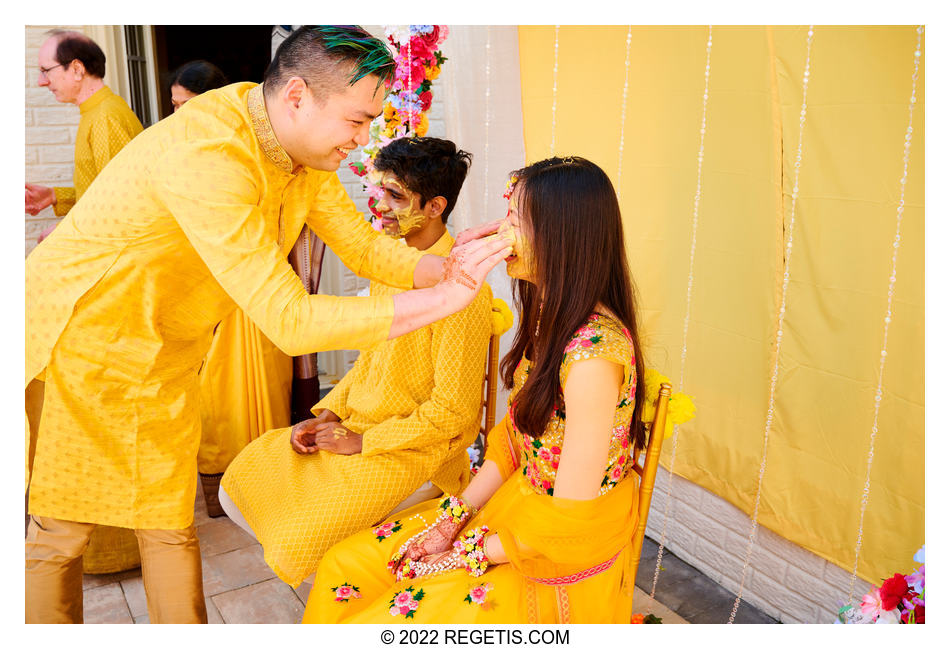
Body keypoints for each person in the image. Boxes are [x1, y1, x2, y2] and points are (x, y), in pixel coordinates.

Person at [25, 25, 511, 624]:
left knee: (167, 519)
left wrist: (447, 268)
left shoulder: (299, 155)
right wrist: (448, 299)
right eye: (356, 122)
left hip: (164, 351)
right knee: (61, 532)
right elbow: (291, 319)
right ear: (299, 96)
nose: (360, 144)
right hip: (86, 340)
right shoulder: (212, 154)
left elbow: (362, 247)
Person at [302, 156, 647, 624]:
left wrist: (462, 555)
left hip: (552, 540)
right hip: (515, 508)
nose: (499, 234)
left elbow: (568, 519)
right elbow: (514, 436)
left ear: (563, 236)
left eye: (514, 220)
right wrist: (454, 515)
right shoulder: (553, 317)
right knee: (344, 565)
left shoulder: (593, 358)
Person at [219, 136, 493, 588]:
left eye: (396, 196)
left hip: (416, 450)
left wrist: (363, 443)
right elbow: (370, 363)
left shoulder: (462, 292)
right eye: (379, 191)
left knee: (296, 535)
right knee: (243, 477)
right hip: (360, 424)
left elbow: (454, 414)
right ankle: (342, 590)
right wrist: (329, 412)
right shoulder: (394, 266)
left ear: (434, 206)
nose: (379, 206)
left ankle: (347, 599)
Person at [163, 58, 291, 518]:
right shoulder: (185, 150)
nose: (180, 116)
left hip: (254, 285)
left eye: (187, 105)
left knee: (262, 392)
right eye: (174, 106)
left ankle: (265, 488)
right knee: (215, 392)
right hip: (210, 289)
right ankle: (225, 491)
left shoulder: (249, 151)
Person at [25, 30, 143, 242]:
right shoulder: (96, 112)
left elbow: (119, 201)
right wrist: (54, 196)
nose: (41, 82)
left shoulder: (104, 117)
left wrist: (64, 230)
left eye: (46, 71)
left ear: (77, 69)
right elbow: (98, 191)